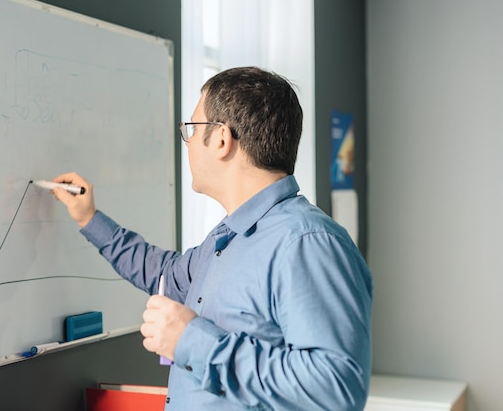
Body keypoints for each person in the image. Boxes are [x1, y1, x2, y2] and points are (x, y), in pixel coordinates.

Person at [49, 66, 372, 410]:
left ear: (221, 138)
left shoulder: (307, 242)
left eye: (190, 129)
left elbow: (335, 388)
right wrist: (89, 218)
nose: (186, 144)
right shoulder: (226, 239)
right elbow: (164, 273)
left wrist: (191, 341)